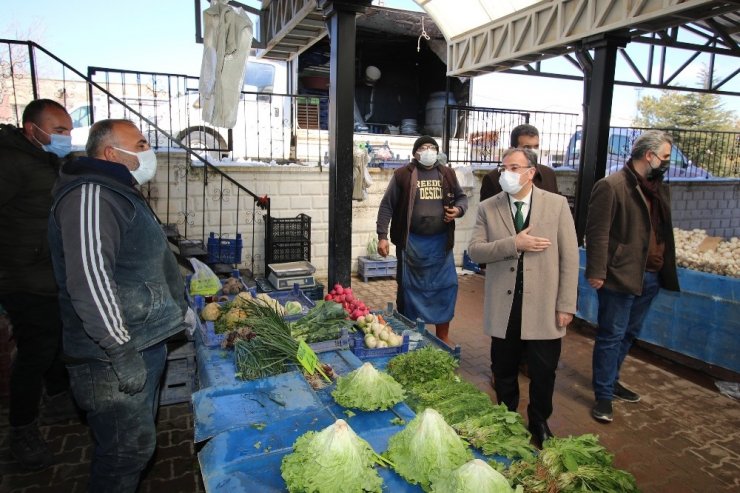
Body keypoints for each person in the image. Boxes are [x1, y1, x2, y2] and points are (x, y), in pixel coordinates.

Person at [47, 119, 193, 492]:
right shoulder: (90, 196)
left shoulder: (115, 190)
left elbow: (142, 264)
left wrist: (179, 309)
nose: (149, 152)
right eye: (141, 144)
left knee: (134, 448)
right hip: (112, 359)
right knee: (123, 455)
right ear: (112, 153)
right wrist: (121, 350)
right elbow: (91, 280)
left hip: (141, 341)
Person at [468, 147, 578, 448]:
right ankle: (507, 418)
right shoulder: (488, 207)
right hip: (505, 305)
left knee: (544, 370)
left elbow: (569, 258)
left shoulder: (556, 205)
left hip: (544, 304)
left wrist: (566, 304)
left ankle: (539, 421)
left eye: (514, 168)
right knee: (503, 369)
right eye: (504, 168)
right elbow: (475, 251)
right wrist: (513, 243)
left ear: (531, 172)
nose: (507, 174)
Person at [0, 98, 76, 470]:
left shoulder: (47, 159)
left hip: (48, 272)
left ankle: (60, 398)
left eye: (69, 130)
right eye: (59, 130)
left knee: (56, 339)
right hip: (23, 277)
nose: (66, 137)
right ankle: (21, 431)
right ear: (33, 130)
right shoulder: (10, 162)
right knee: (34, 352)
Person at [585, 130, 679, 423]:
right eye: (664, 157)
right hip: (620, 274)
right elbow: (597, 232)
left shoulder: (658, 187)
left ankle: (611, 380)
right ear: (648, 156)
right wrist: (597, 271)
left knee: (629, 333)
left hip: (650, 275)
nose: (667, 162)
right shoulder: (611, 186)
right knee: (611, 334)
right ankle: (602, 395)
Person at [376, 135, 468, 344]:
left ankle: (442, 335)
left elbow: (462, 198)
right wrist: (382, 236)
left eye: (432, 147)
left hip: (440, 244)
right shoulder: (403, 175)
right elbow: (387, 205)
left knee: (446, 287)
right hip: (411, 244)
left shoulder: (447, 173)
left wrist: (459, 210)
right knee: (409, 290)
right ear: (415, 153)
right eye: (424, 147)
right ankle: (411, 333)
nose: (428, 150)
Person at [479, 124, 559, 202]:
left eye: (536, 146)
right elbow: (486, 212)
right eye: (527, 147)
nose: (533, 151)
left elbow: (556, 209)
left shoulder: (549, 175)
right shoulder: (493, 178)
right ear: (512, 149)